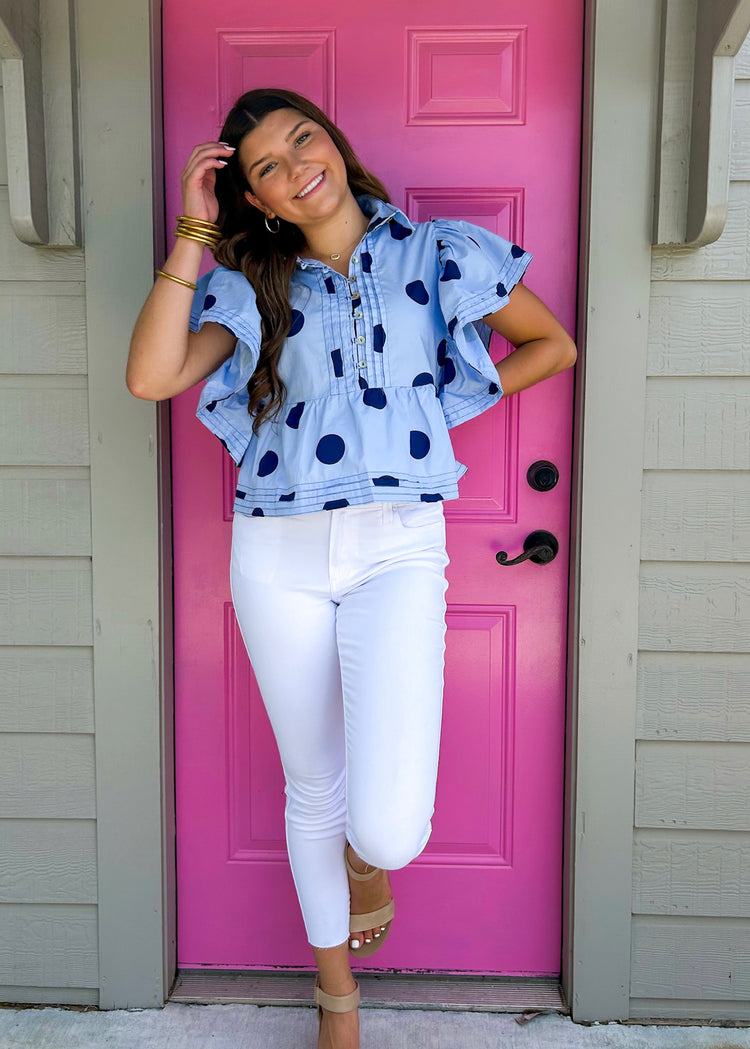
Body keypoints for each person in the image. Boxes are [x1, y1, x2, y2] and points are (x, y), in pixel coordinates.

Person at [127, 87, 577, 1049]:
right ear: (259, 202)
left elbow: (553, 344)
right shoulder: (250, 279)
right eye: (266, 169)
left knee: (388, 828)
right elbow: (152, 376)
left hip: (398, 548)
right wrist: (194, 233)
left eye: (303, 139)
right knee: (312, 784)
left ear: (333, 139)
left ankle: (369, 861)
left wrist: (432, 414)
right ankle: (337, 998)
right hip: (276, 551)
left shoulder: (439, 252)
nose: (297, 166)